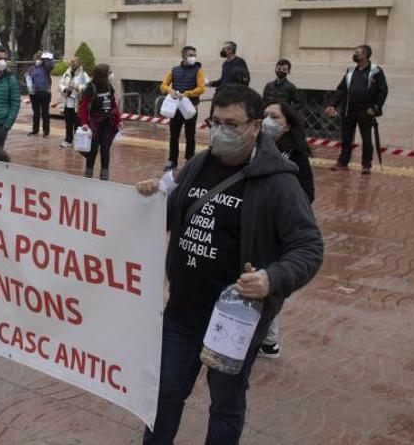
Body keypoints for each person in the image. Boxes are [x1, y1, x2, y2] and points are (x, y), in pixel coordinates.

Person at [135, 84, 324, 445]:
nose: (221, 131)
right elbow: (169, 215)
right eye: (215, 122)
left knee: (225, 403)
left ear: (255, 127)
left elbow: (309, 246)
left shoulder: (280, 182)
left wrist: (273, 278)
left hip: (235, 320)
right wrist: (149, 200)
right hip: (183, 312)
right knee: (164, 394)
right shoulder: (197, 165)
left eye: (232, 124)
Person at [258, 100, 315, 360]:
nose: (268, 120)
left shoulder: (294, 153)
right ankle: (267, 341)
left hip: (278, 228)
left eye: (275, 117)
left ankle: (267, 340)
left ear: (287, 125)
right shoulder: (259, 146)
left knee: (268, 281)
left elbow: (307, 193)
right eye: (265, 115)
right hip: (259, 224)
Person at [324, 45, 388, 175]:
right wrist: (333, 105)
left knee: (366, 139)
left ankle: (366, 165)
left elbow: (383, 91)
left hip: (366, 111)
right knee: (346, 138)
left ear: (365, 55)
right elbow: (341, 89)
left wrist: (375, 107)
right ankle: (343, 162)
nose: (355, 54)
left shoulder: (376, 71)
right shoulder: (351, 70)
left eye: (357, 53)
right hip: (349, 110)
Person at [161, 46, 205, 171]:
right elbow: (163, 85)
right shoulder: (174, 70)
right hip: (176, 109)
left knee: (190, 135)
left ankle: (189, 161)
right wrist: (170, 91)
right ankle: (172, 160)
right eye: (191, 55)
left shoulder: (198, 71)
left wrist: (186, 93)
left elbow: (201, 89)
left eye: (194, 55)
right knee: (174, 135)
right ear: (183, 56)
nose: (193, 57)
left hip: (191, 108)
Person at [78, 64, 121, 181]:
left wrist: (118, 120)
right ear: (102, 75)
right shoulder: (90, 87)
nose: (110, 74)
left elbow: (113, 105)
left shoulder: (108, 86)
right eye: (108, 72)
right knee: (93, 149)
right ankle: (88, 175)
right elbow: (83, 107)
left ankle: (104, 177)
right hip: (94, 123)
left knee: (105, 149)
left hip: (107, 123)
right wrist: (84, 123)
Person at [57, 56, 89, 149]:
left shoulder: (82, 74)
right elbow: (60, 83)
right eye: (71, 61)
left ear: (79, 63)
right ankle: (68, 140)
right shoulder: (67, 72)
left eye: (74, 61)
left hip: (77, 103)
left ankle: (78, 141)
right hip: (68, 102)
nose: (72, 63)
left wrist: (77, 87)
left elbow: (87, 86)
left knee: (77, 123)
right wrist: (65, 89)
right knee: (68, 123)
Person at [26, 51, 56, 138]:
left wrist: (46, 58)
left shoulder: (46, 67)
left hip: (45, 92)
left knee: (45, 113)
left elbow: (51, 65)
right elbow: (29, 80)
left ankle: (46, 132)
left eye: (40, 58)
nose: (38, 59)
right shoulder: (31, 69)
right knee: (36, 113)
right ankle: (35, 130)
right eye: (37, 57)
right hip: (34, 93)